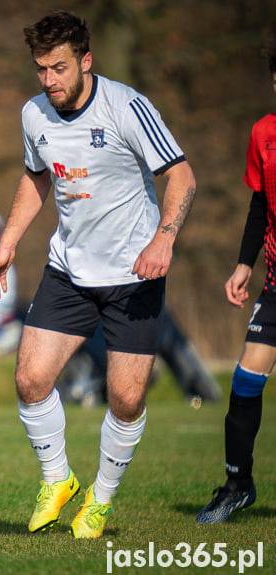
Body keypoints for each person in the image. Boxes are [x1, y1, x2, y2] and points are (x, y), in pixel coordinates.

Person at [0, 11, 196, 539]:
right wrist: (6, 245)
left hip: (133, 276)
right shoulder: (34, 115)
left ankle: (101, 499)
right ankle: (58, 480)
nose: (49, 80)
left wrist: (164, 237)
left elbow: (181, 176)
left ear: (86, 61)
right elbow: (35, 180)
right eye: (41, 70)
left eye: (59, 68)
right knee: (30, 379)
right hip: (68, 270)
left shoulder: (127, 107)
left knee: (126, 398)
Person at [197, 44, 276, 524]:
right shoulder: (263, 134)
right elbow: (258, 205)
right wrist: (244, 263)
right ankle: (237, 484)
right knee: (246, 378)